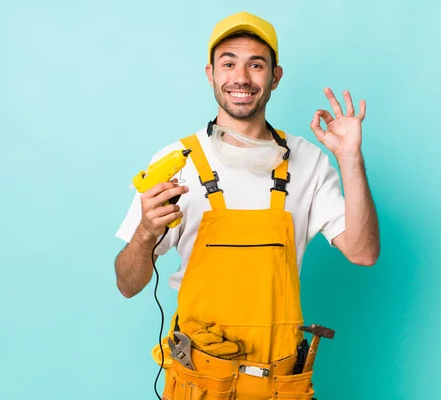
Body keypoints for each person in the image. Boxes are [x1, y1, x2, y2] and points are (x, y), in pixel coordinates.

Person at [114, 11, 380, 399]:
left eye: (256, 65)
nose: (241, 77)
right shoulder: (176, 162)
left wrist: (350, 157)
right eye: (228, 63)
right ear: (211, 73)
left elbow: (363, 252)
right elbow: (127, 284)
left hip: (278, 384)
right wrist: (144, 233)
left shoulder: (307, 160)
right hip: (198, 381)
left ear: (275, 76)